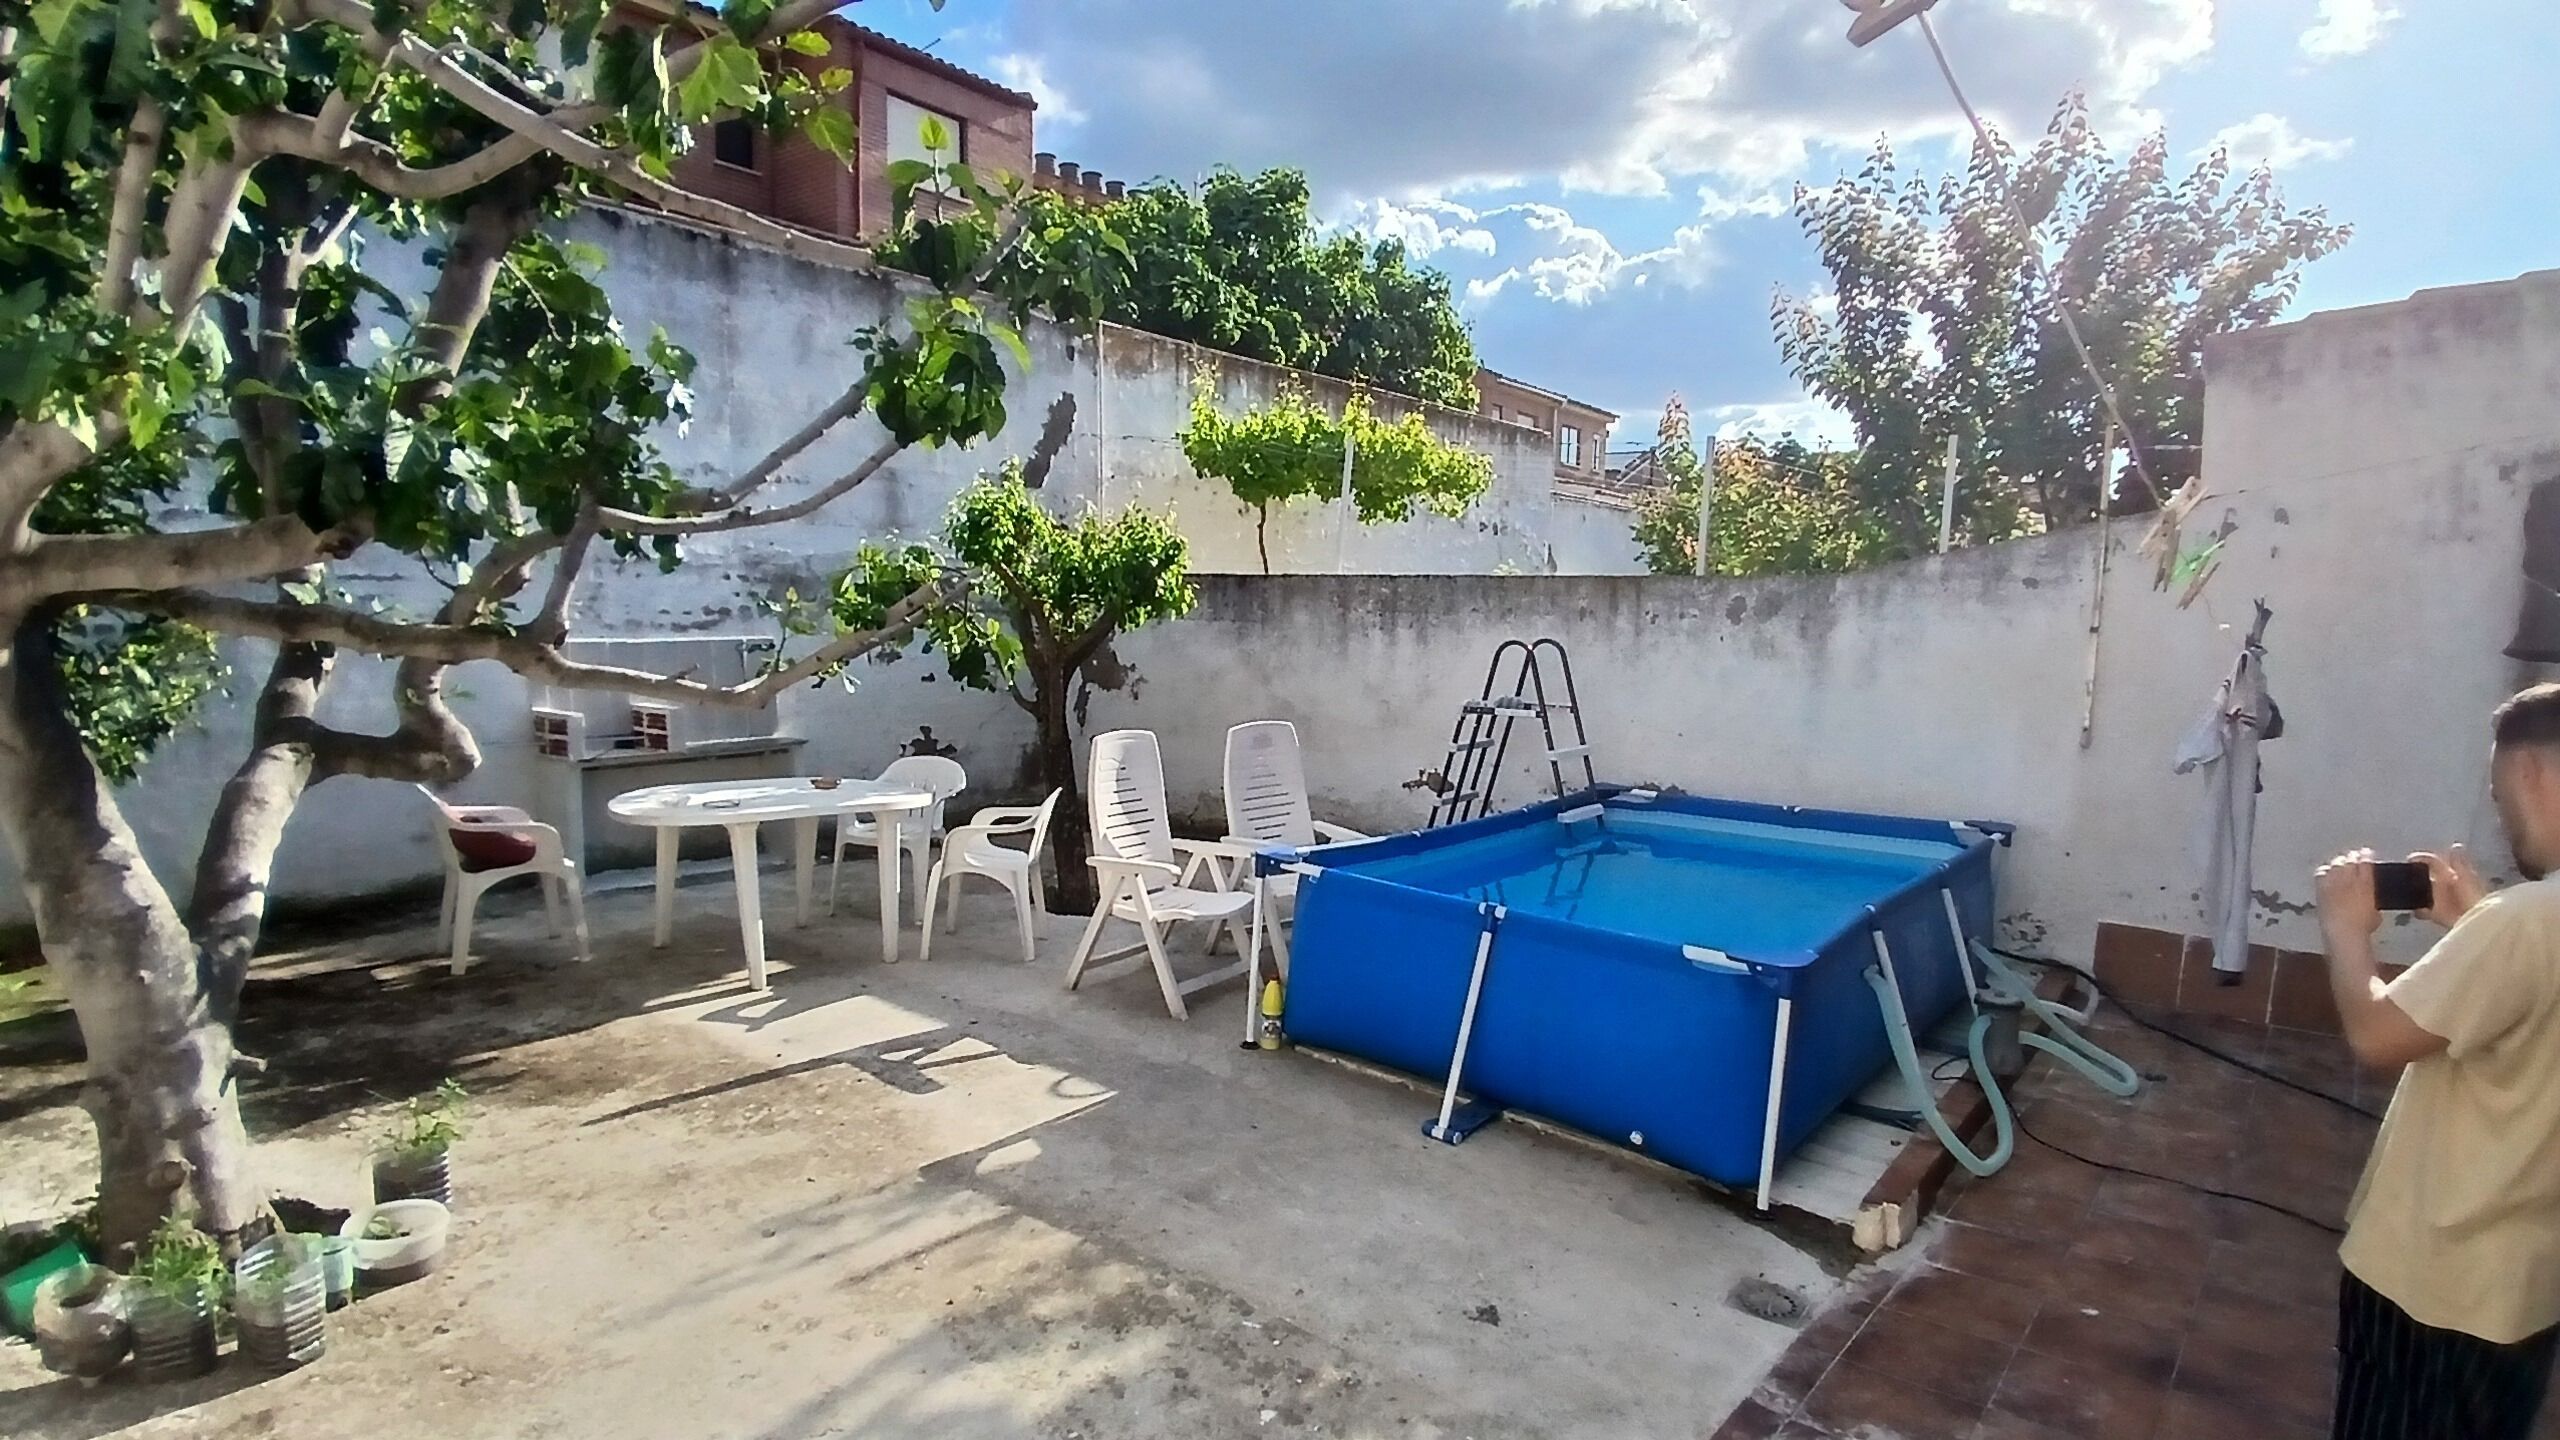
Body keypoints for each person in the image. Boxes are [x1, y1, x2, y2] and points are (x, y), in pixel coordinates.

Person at [2314, 681, 2560, 1440]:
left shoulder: (2526, 923)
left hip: (2434, 1285)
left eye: (2497, 795)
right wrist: (2472, 927)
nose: (2501, 815)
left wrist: (2346, 930)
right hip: (2524, 1290)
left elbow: (2378, 1035)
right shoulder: (2519, 926)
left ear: (2534, 776)